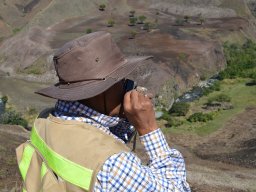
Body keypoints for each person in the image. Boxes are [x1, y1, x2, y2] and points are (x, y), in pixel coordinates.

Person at [16, 31, 190, 192]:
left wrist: (127, 119)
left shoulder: (46, 119)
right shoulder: (113, 165)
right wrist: (149, 129)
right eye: (121, 80)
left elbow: (97, 136)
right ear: (100, 90)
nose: (128, 85)